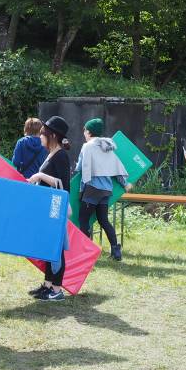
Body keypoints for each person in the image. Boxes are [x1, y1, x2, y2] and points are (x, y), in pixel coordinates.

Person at [27, 116, 72, 300]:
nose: (40, 137)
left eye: (43, 134)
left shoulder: (61, 156)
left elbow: (64, 186)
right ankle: (47, 285)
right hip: (48, 208)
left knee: (56, 249)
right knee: (48, 246)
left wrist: (39, 176)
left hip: (56, 208)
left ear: (52, 135)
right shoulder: (52, 153)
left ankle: (56, 290)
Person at [76, 117, 131, 261]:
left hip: (92, 189)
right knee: (103, 220)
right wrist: (125, 184)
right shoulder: (107, 147)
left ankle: (85, 253)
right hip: (106, 190)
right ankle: (116, 250)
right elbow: (117, 168)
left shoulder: (87, 147)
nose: (84, 134)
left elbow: (80, 168)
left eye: (85, 131)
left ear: (89, 132)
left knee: (83, 219)